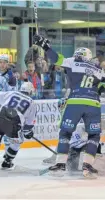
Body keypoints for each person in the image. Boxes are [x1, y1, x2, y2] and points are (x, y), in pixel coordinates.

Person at [34, 34, 105, 178]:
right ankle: (88, 166)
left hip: (75, 102)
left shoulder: (73, 62)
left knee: (65, 133)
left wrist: (45, 46)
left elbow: (56, 58)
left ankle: (60, 164)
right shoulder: (99, 70)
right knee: (94, 135)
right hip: (93, 103)